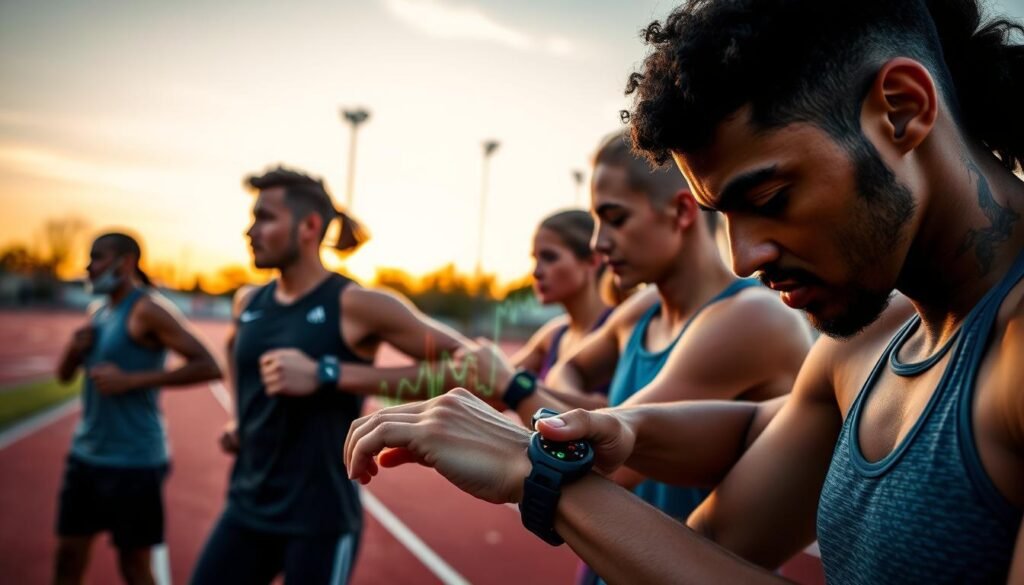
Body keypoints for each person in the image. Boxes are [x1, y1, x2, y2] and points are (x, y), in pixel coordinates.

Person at [345, 1, 1024, 583]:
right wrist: (618, 429)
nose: (745, 255)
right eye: (722, 216)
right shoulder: (870, 345)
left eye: (770, 197)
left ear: (902, 111)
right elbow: (726, 514)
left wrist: (541, 475)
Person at [191, 166, 482, 585]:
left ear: (309, 226)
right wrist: (240, 417)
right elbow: (235, 349)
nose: (250, 231)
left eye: (265, 217)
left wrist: (328, 372)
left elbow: (469, 368)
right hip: (245, 506)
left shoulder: (356, 303)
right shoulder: (248, 301)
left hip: (319, 520)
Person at [54, 232, 222, 585]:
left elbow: (209, 365)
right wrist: (73, 348)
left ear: (126, 263)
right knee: (67, 560)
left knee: (134, 567)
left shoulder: (148, 309)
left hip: (135, 461)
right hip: (86, 455)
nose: (89, 267)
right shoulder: (97, 311)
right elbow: (64, 377)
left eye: (98, 257)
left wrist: (131, 381)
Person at [509, 209, 612, 404]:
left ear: (592, 261)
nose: (536, 272)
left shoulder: (620, 327)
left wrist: (521, 388)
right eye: (535, 259)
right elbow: (492, 382)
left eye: (549, 257)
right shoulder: (553, 335)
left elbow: (614, 413)